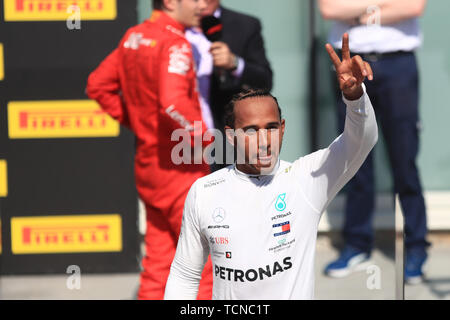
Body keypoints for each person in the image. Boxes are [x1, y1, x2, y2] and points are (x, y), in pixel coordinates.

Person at [164, 33, 378, 299]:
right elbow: (185, 275)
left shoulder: (305, 178)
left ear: (283, 129)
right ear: (230, 136)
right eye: (251, 131)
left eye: (271, 128)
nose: (264, 141)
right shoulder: (205, 191)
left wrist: (355, 97)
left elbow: (361, 142)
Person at [86, 0, 214, 299]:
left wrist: (141, 124)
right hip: (180, 168)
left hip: (149, 165)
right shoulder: (174, 43)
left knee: (160, 258)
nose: (202, 5)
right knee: (205, 259)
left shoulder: (134, 36)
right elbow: (172, 105)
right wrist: (212, 142)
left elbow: (97, 85)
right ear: (170, 2)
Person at [318, 0, 430, 284]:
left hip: (398, 64)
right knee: (355, 157)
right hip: (350, 61)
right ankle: (356, 243)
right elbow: (329, 10)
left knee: (404, 158)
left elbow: (413, 7)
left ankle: (416, 247)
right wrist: (383, 6)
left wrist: (356, 13)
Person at [185, 0, 273, 167]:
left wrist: (235, 64)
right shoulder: (176, 27)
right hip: (180, 137)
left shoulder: (244, 25)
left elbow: (265, 81)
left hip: (223, 141)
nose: (201, 5)